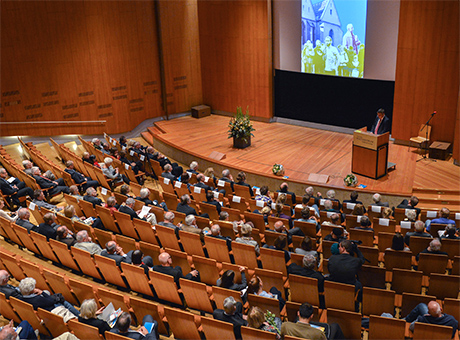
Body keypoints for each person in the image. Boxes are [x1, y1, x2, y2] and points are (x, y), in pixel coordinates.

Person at [328, 240, 365, 311]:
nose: (338, 248)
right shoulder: (356, 261)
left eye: (339, 247)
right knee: (359, 284)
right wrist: (356, 249)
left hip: (334, 285)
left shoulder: (332, 258)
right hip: (350, 286)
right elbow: (362, 259)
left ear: (343, 248)